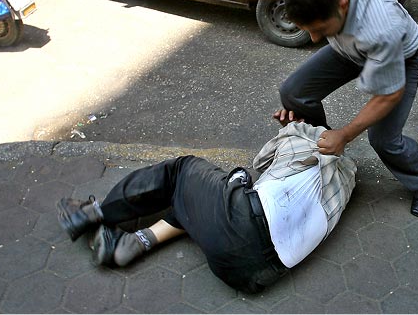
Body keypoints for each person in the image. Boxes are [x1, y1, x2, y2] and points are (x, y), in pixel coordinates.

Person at [231, 0, 418, 219]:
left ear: (342, 4)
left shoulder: (380, 27)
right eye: (307, 30)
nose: (314, 39)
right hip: (349, 46)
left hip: (403, 54)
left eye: (319, 29)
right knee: (294, 92)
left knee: (383, 139)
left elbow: (388, 95)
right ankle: (323, 144)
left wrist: (345, 134)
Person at [56, 121, 356, 294]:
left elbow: (261, 161)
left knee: (183, 172)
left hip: (244, 223)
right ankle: (134, 243)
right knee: (198, 206)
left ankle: (95, 213)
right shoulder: (346, 184)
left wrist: (291, 126)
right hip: (254, 276)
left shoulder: (304, 141)